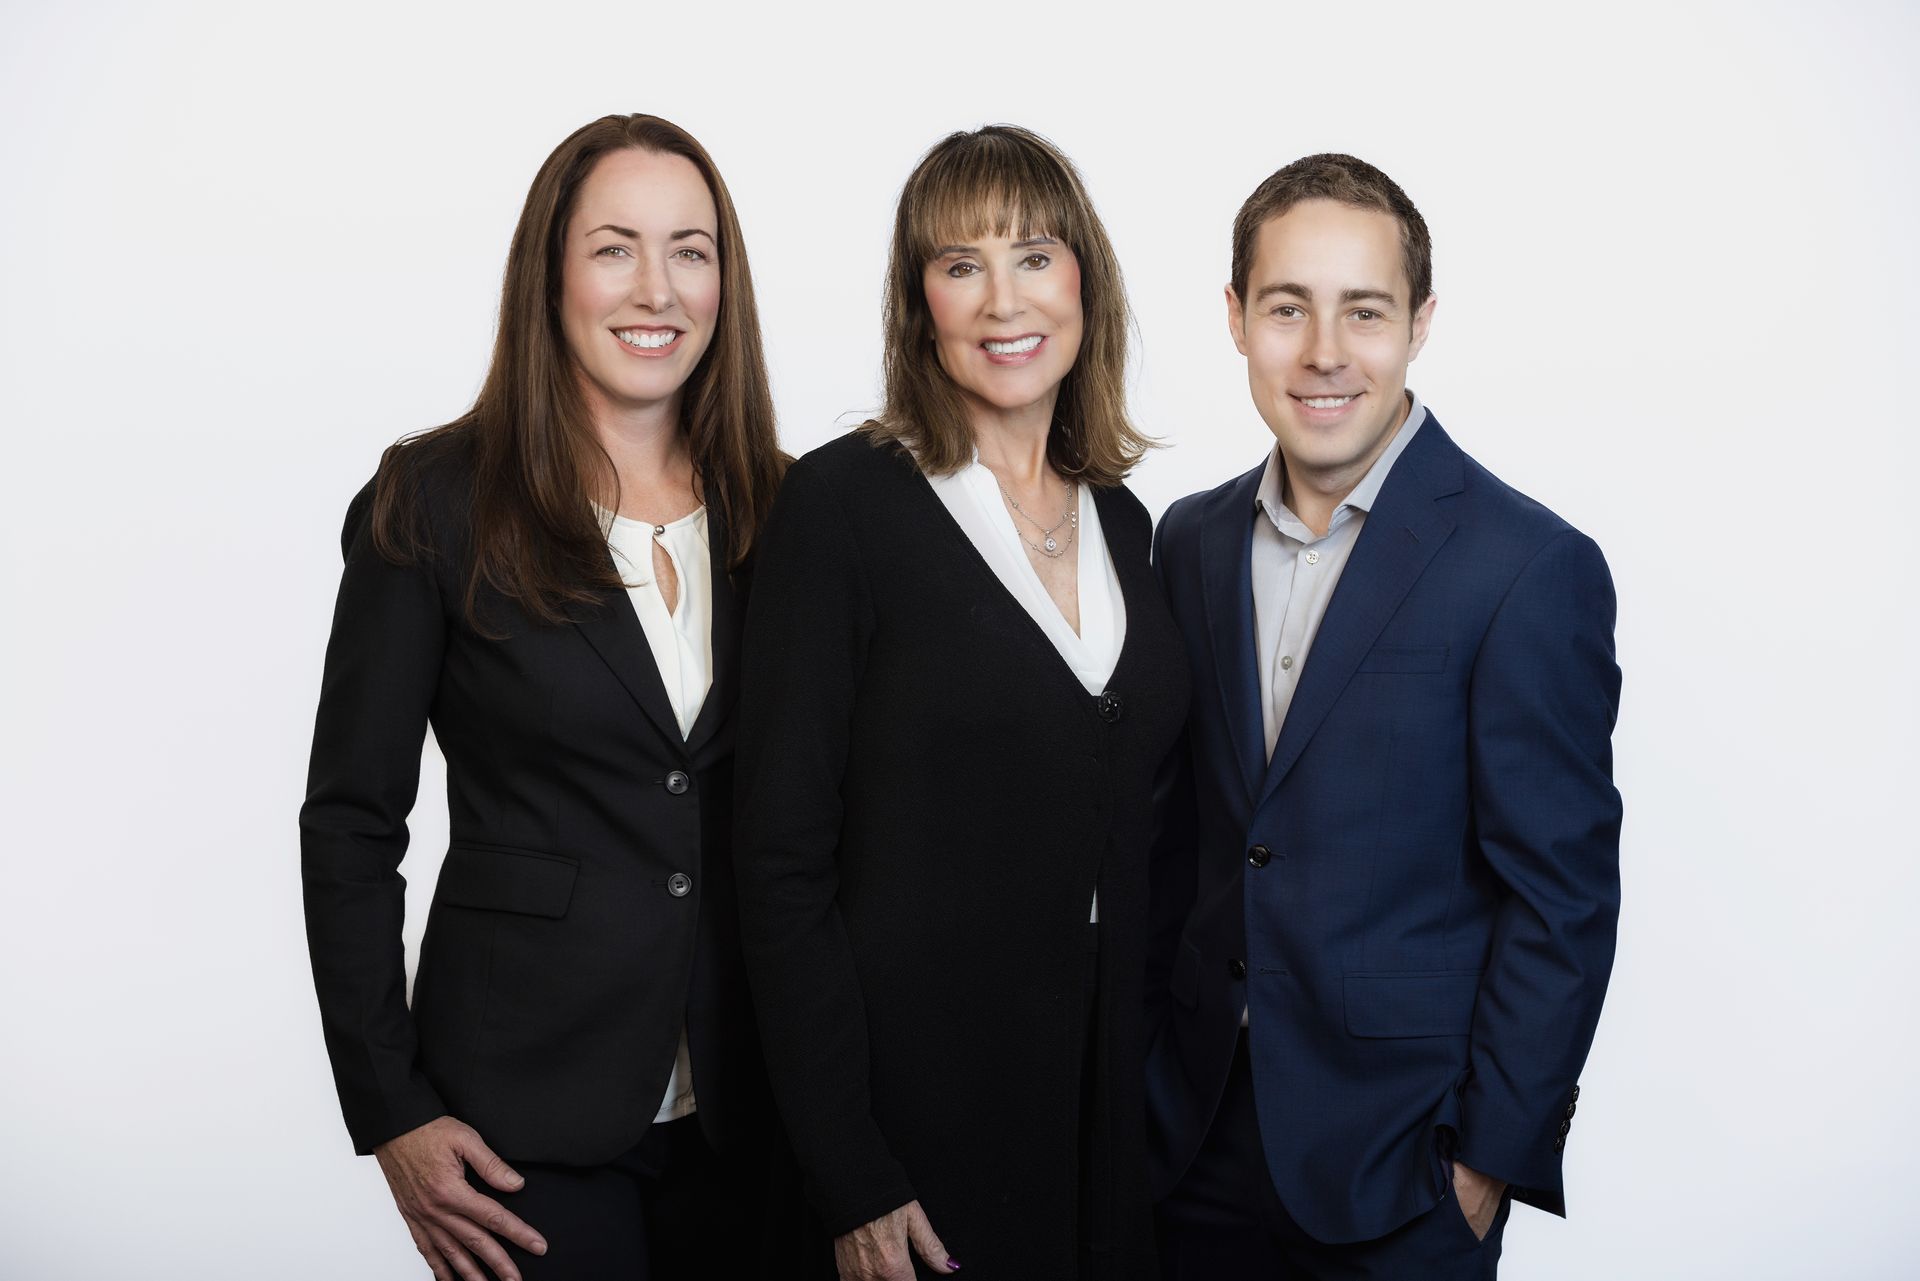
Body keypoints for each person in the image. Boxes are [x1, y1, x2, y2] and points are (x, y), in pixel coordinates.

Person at [300, 113, 805, 1281]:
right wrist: (391, 1111)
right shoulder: (431, 503)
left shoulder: (786, 511)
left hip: (755, 1109)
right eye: (614, 246)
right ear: (552, 273)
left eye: (691, 249)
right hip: (523, 1118)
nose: (657, 288)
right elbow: (351, 824)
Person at [1147, 154, 1623, 1278]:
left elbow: (1562, 896)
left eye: (1363, 311)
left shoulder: (1526, 567)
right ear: (1235, 318)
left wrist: (1484, 1167)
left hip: (1402, 1175)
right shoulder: (1189, 541)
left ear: (1419, 325)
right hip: (1189, 1146)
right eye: (1286, 308)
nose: (1323, 351)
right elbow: (1182, 844)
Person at [733, 125, 1188, 1281]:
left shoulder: (1127, 527)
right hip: (911, 1136)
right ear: (917, 300)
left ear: (1085, 277)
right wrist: (849, 1165)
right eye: (959, 264)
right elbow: (778, 865)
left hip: (1100, 1132)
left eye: (1034, 255)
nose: (1002, 301)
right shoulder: (841, 509)